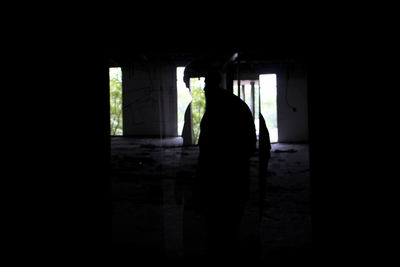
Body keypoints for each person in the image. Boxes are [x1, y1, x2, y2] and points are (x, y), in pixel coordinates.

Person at [193, 66, 257, 261]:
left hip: (220, 179)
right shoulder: (235, 105)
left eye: (205, 84)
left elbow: (206, 147)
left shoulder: (217, 108)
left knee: (218, 226)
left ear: (211, 85)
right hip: (233, 178)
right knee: (229, 226)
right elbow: (250, 146)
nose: (203, 89)